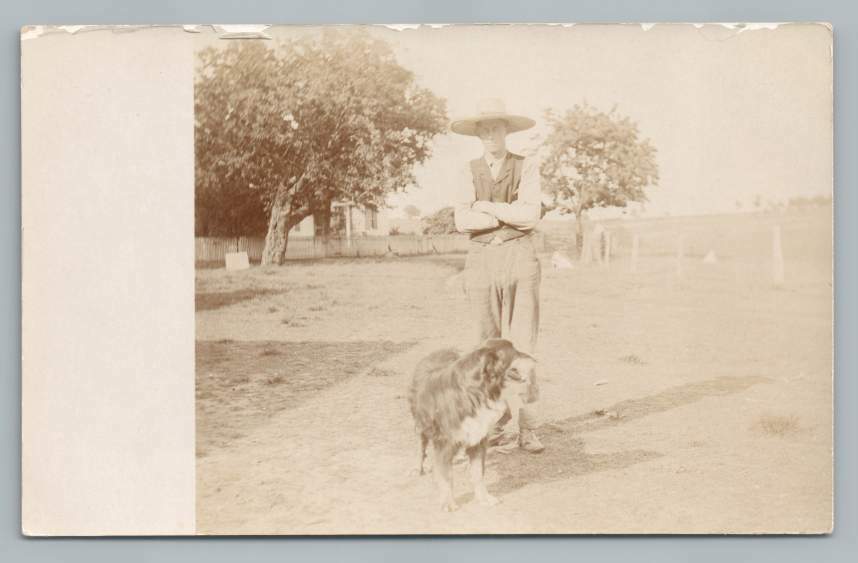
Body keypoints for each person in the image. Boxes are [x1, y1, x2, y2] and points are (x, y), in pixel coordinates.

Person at [450, 99, 545, 454]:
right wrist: (508, 214)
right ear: (478, 134)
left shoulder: (527, 166)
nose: (491, 134)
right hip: (481, 260)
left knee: (524, 347)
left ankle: (528, 428)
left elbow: (531, 216)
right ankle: (489, 425)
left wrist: (485, 206)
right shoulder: (466, 170)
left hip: (521, 257)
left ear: (507, 130)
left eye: (496, 127)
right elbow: (462, 221)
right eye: (484, 129)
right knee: (485, 347)